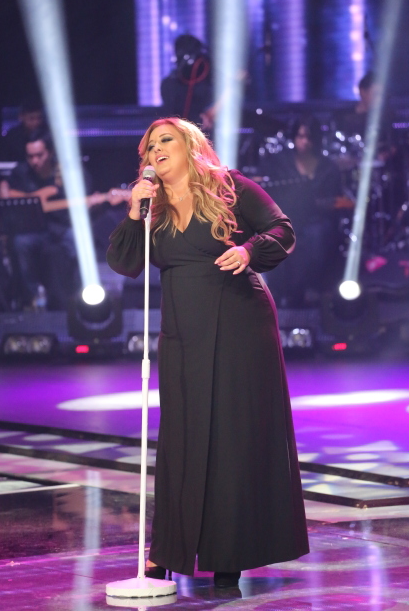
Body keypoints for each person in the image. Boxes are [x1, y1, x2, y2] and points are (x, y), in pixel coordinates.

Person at [106, 117, 309, 587]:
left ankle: (228, 553)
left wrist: (249, 251)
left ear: (190, 146)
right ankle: (167, 550)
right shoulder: (151, 206)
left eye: (165, 140)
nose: (155, 150)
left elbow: (282, 229)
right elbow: (123, 262)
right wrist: (135, 211)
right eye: (148, 147)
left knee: (231, 436)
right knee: (181, 436)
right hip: (182, 329)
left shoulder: (228, 187)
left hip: (240, 323)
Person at [0, 131, 89, 310]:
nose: (35, 161)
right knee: (20, 244)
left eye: (39, 155)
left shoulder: (64, 171)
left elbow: (81, 196)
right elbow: (5, 192)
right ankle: (32, 298)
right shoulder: (21, 172)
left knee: (78, 240)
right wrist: (38, 196)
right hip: (31, 230)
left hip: (60, 227)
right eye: (30, 156)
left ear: (50, 153)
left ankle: (81, 293)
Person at [261, 118, 344, 306]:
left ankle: (310, 289)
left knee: (316, 236)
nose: (305, 142)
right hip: (287, 218)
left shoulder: (328, 167)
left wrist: (316, 204)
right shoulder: (280, 163)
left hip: (317, 220)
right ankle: (279, 292)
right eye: (300, 136)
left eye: (309, 137)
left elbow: (334, 200)